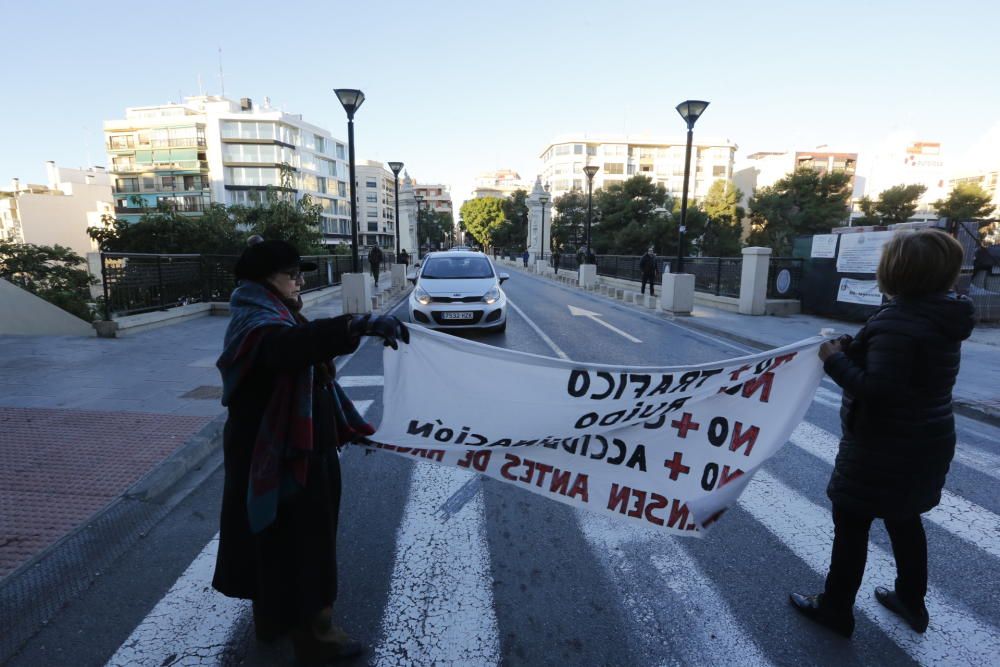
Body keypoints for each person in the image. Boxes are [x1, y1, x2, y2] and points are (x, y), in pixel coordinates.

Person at [213, 237, 409, 663]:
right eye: (292, 274)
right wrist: (357, 324)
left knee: (277, 541)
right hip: (284, 454)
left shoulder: (272, 312)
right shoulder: (258, 323)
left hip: (285, 448)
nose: (300, 281)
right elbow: (290, 349)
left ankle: (275, 619)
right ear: (264, 280)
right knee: (307, 541)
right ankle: (317, 636)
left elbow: (301, 349)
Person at [789, 228, 974, 639]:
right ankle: (911, 599)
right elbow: (909, 373)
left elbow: (879, 391)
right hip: (927, 439)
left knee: (851, 525)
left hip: (883, 446)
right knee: (904, 519)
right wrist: (856, 349)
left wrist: (834, 361)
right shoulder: (942, 316)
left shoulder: (900, 322)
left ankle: (835, 609)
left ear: (896, 270)